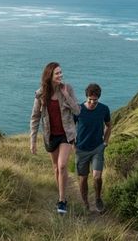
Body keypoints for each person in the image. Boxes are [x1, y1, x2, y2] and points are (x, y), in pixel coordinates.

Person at [30, 62, 80, 214]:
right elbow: (35, 118)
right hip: (50, 136)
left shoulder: (67, 88)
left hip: (66, 134)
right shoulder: (40, 94)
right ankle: (61, 194)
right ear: (49, 75)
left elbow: (77, 110)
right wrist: (32, 141)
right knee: (56, 168)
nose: (60, 75)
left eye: (61, 72)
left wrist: (66, 95)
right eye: (57, 73)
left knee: (62, 165)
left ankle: (62, 200)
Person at [73, 83, 112, 213]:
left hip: (97, 148)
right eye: (90, 99)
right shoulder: (78, 109)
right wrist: (73, 145)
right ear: (86, 97)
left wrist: (105, 142)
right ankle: (85, 203)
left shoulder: (104, 109)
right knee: (83, 178)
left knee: (97, 177)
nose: (92, 102)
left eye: (95, 100)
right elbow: (70, 127)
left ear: (98, 98)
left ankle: (98, 198)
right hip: (81, 149)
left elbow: (109, 125)